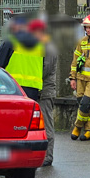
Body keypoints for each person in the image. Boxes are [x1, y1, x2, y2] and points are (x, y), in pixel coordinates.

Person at [0, 17, 44, 102]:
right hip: (33, 88)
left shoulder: (12, 41)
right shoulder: (39, 45)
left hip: (13, 86)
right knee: (28, 113)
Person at [28, 19, 56, 167]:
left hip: (45, 91)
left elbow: (46, 69)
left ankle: (48, 156)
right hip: (36, 89)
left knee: (47, 124)